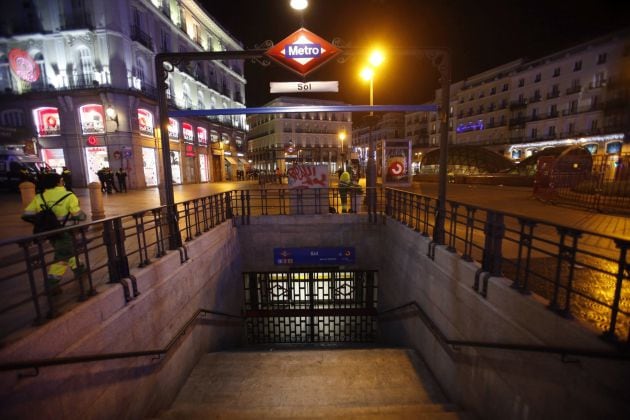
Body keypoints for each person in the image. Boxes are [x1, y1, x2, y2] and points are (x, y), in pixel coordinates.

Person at [21, 172, 87, 294]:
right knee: (62, 256)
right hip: (65, 231)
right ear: (58, 182)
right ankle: (51, 283)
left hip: (50, 232)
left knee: (67, 250)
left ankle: (80, 269)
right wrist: (84, 216)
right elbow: (77, 215)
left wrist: (42, 220)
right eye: (61, 180)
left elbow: (27, 215)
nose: (62, 181)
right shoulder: (68, 195)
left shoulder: (40, 196)